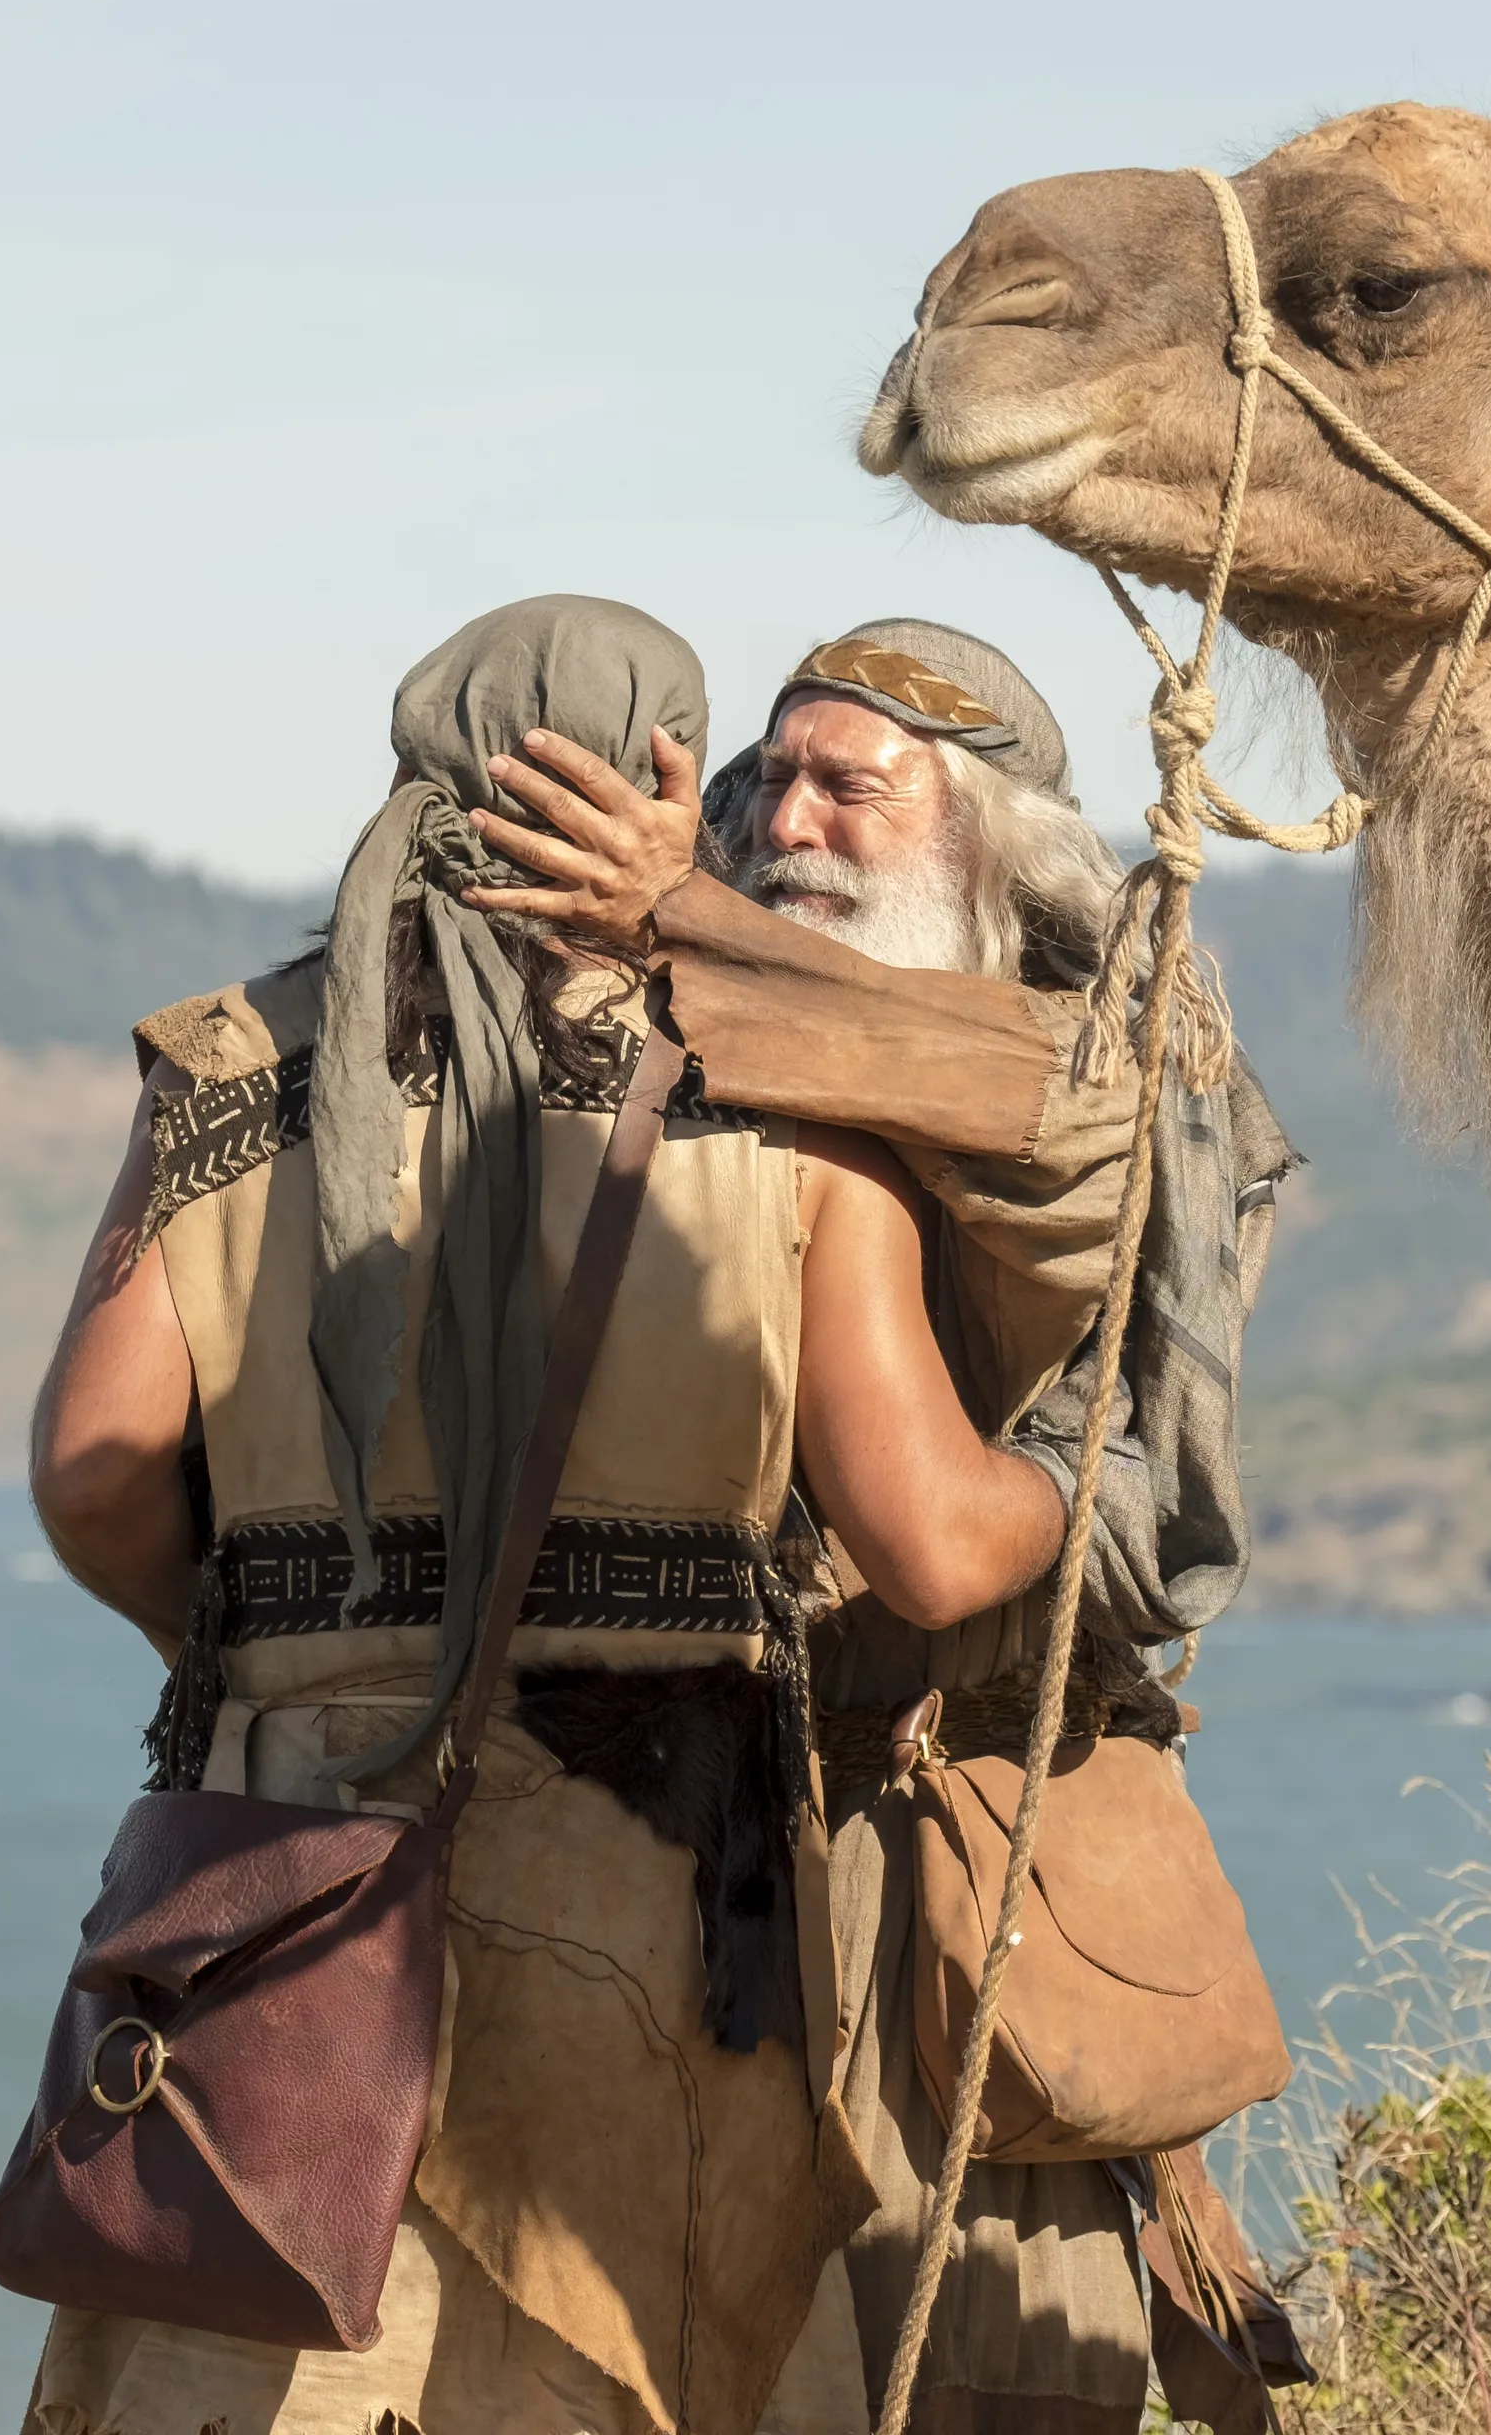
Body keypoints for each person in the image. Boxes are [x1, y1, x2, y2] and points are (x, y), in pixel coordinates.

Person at [467, 621, 1300, 2435]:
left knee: (977, 2376)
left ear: (1003, 846)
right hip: (713, 1886)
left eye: (857, 785)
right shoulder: (733, 1071)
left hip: (967, 1905)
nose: (791, 821)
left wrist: (686, 924)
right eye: (771, 784)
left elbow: (1025, 1116)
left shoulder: (1106, 1072)